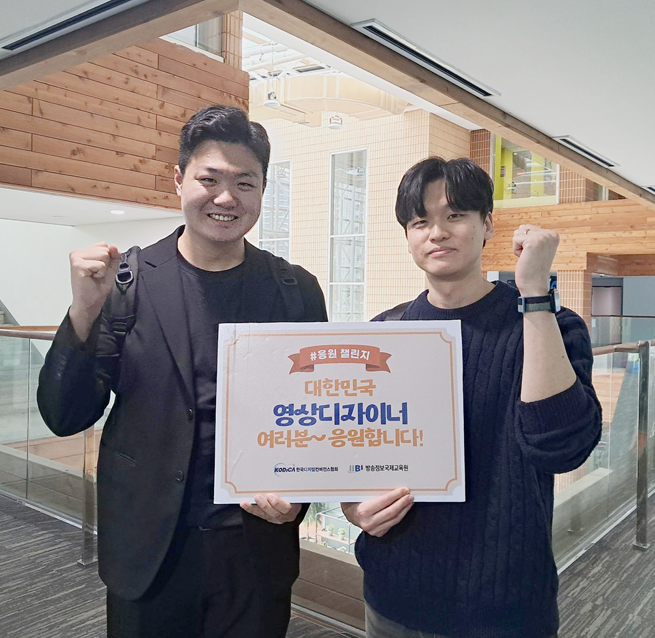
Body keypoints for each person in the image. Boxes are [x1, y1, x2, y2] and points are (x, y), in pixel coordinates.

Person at [37, 105, 327, 638]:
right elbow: (65, 415)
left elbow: (312, 418)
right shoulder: (126, 281)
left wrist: (299, 495)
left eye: (244, 183)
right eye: (209, 179)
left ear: (262, 190)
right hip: (149, 549)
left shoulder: (295, 291)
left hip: (254, 548)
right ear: (178, 179)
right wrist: (83, 312)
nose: (226, 198)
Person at [341, 157, 601, 638]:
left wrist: (534, 295)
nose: (437, 232)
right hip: (394, 598)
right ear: (408, 236)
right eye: (420, 221)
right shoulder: (384, 334)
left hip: (505, 609)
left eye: (455, 215)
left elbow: (561, 449)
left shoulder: (550, 326)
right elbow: (354, 458)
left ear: (488, 224)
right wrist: (355, 508)